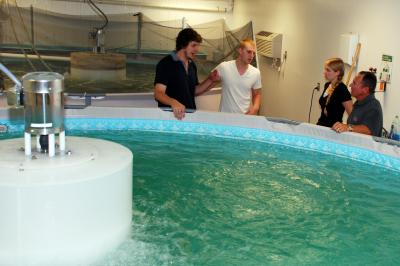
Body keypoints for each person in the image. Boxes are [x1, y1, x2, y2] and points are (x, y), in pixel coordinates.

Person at [153, 28, 216, 120]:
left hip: (189, 116)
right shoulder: (166, 63)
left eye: (198, 46)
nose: (197, 49)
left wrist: (211, 79)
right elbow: (158, 93)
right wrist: (173, 102)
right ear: (183, 45)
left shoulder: (192, 65)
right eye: (194, 45)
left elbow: (193, 91)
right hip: (170, 117)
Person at [200, 38, 262, 115]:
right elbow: (208, 84)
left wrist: (255, 108)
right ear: (240, 51)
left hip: (244, 118)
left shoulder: (256, 73)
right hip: (224, 118)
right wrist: (193, 92)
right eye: (249, 52)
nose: (251, 56)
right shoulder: (224, 67)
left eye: (253, 53)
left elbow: (257, 94)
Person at [332, 71, 383, 136]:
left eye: (354, 83)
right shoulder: (358, 103)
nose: (350, 85)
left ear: (365, 89)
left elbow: (368, 130)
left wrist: (347, 127)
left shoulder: (374, 106)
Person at [317, 58, 353, 127]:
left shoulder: (342, 89)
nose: (324, 72)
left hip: (333, 130)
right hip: (321, 125)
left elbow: (352, 115)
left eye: (328, 70)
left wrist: (347, 127)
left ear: (337, 72)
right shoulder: (327, 85)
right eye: (325, 69)